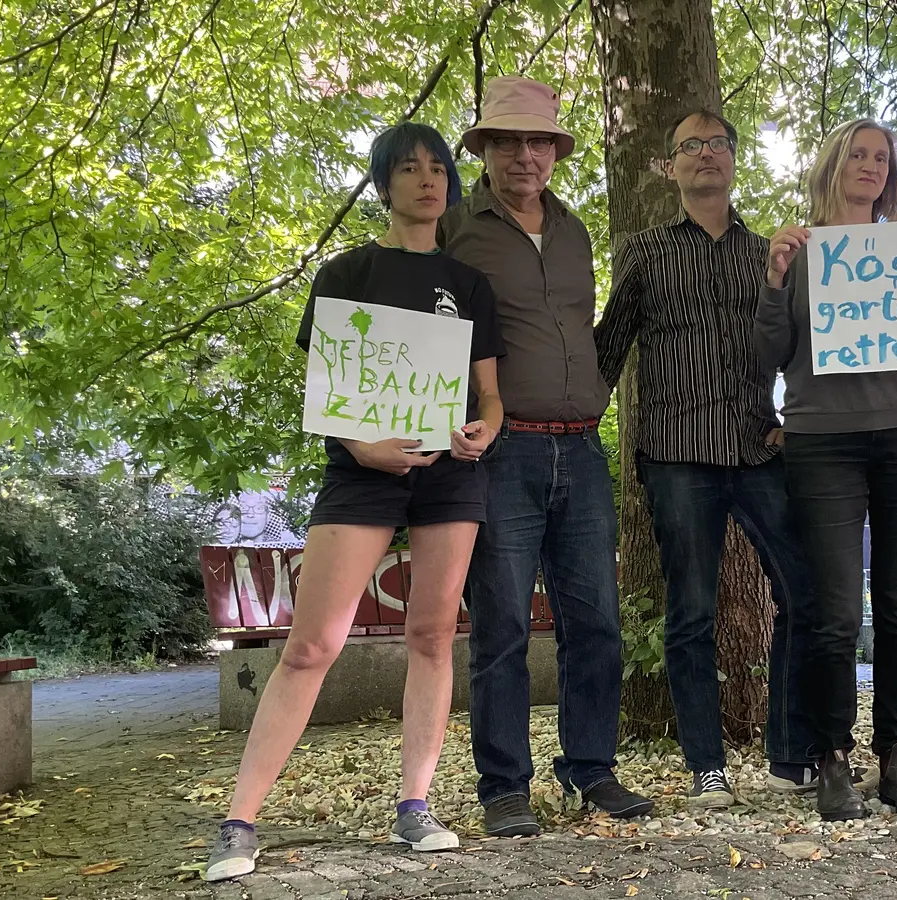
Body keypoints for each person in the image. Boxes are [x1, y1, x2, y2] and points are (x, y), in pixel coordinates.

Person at [205, 122, 501, 882]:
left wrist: (479, 434)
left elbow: (490, 400)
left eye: (438, 169)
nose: (427, 180)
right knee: (310, 648)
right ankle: (239, 821)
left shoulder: (469, 285)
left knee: (435, 637)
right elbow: (327, 392)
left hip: (449, 476)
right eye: (409, 168)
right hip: (361, 474)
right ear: (384, 183)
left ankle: (415, 807)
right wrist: (361, 447)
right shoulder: (346, 272)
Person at [753, 118, 897, 821]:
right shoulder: (798, 249)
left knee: (896, 608)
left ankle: (896, 754)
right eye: (857, 154)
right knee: (832, 613)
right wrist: (773, 282)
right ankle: (830, 756)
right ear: (832, 164)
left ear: (892, 174)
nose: (869, 166)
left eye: (881, 158)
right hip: (822, 441)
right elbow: (766, 354)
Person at [593, 108, 833, 808]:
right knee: (691, 613)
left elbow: (806, 346)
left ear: (734, 159)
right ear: (670, 167)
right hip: (677, 455)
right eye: (689, 145)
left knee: (806, 595)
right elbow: (609, 349)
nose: (705, 155)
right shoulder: (643, 251)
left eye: (718, 144)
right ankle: (708, 768)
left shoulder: (773, 253)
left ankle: (789, 755)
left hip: (760, 447)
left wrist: (804, 417)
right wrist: (565, 424)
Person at [440, 75, 651, 837]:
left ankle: (590, 769)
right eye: (509, 141)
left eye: (539, 141)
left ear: (555, 152)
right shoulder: (455, 227)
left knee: (595, 623)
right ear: (487, 149)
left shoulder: (575, 231)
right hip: (501, 454)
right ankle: (504, 787)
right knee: (499, 625)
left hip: (583, 449)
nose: (525, 155)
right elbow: (424, 334)